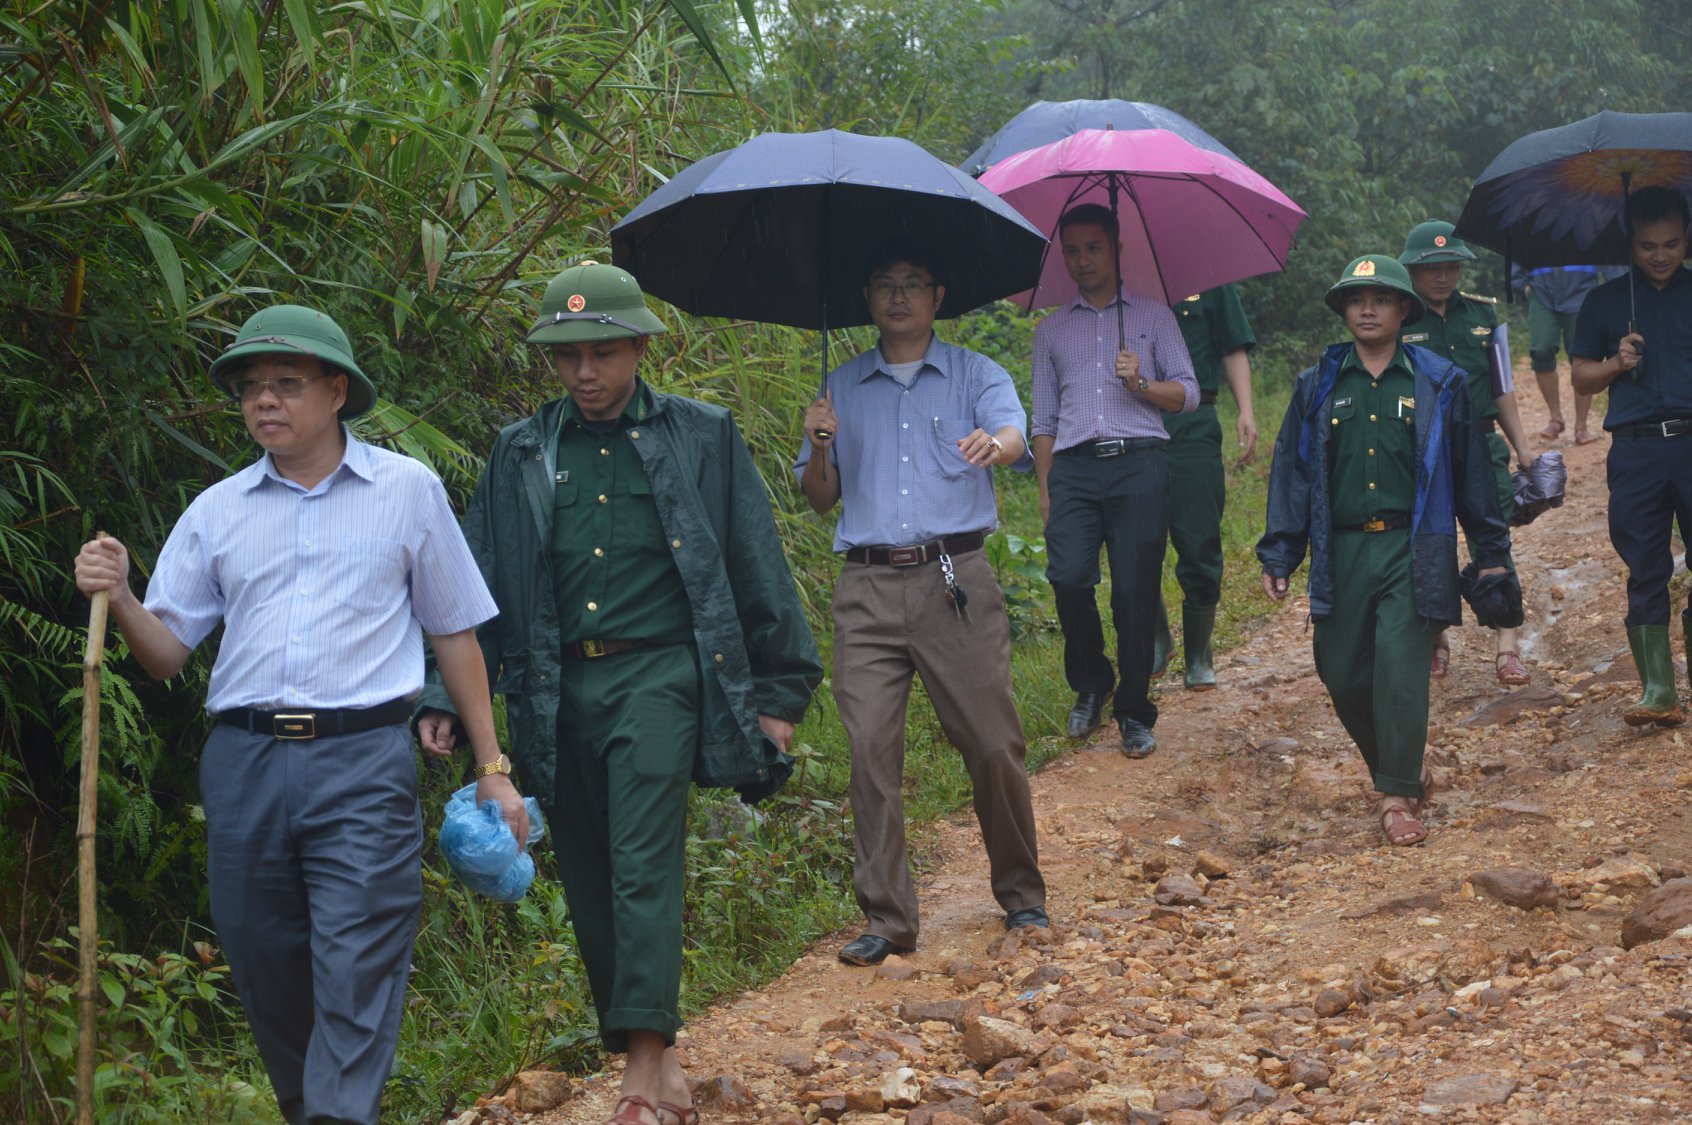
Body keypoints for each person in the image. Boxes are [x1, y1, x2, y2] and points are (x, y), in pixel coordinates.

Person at [73, 306, 521, 1125]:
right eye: (251, 389)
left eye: (286, 383)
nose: (264, 402)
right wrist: (121, 593)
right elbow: (167, 652)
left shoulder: (407, 491)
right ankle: (312, 1112)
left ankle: (336, 1116)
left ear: (336, 390)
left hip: (362, 760)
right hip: (244, 765)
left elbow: (455, 631)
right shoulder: (218, 509)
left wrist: (492, 768)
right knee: (266, 964)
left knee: (357, 960)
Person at [415, 262, 822, 1125]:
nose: (584, 374)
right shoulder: (523, 448)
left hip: (661, 675)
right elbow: (478, 580)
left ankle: (639, 1074)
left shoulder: (701, 435)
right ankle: (659, 1056)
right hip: (558, 684)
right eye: (567, 358)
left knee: (643, 855)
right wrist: (444, 693)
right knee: (591, 869)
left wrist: (780, 693)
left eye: (602, 353)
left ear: (640, 345)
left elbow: (755, 563)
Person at [797, 238, 1048, 967]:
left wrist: (994, 446)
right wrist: (818, 446)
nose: (898, 295)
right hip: (867, 586)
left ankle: (1022, 893)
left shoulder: (975, 372)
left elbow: (1012, 431)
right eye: (884, 283)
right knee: (870, 750)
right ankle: (888, 917)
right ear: (867, 298)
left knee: (992, 743)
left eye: (913, 283)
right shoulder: (839, 388)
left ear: (938, 296)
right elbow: (819, 499)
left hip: (954, 576)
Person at [1258, 255, 1512, 847]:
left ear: (1403, 310)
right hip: (1341, 550)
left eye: (1380, 299)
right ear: (1344, 310)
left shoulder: (1438, 380)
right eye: (1355, 299)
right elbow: (1293, 474)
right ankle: (1397, 764)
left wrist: (1490, 550)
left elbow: (1472, 475)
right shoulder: (1317, 384)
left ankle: (1396, 799)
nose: (1366, 308)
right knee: (1341, 671)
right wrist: (1281, 552)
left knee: (1400, 670)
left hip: (1412, 546)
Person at [1031, 203, 1198, 753]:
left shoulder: (1153, 318)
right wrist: (1046, 489)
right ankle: (1091, 682)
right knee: (1069, 577)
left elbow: (1187, 393)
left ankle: (1133, 709)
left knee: (1134, 590)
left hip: (1140, 462)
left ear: (1116, 249)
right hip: (1075, 468)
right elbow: (1044, 420)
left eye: (1093, 248)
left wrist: (1142, 384)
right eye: (1073, 250)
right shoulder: (1051, 329)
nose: (1083, 260)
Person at [1570, 185, 1692, 728]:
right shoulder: (1604, 301)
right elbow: (1580, 376)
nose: (1661, 255)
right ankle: (1658, 690)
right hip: (1637, 451)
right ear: (1630, 246)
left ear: (1686, 238)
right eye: (1648, 246)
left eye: (1671, 243)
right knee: (1645, 566)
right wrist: (1616, 363)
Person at [1398, 219, 1535, 686]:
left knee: (1493, 540)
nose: (1442, 276)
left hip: (1481, 441)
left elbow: (1502, 388)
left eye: (1451, 266)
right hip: (1422, 448)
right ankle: (1436, 640)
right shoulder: (1399, 320)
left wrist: (1523, 448)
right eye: (1432, 267)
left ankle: (1508, 647)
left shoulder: (1484, 316)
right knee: (1429, 545)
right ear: (1412, 271)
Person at [1150, 283, 1258, 690]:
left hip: (1193, 421)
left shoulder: (1211, 280)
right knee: (1136, 540)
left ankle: (1199, 652)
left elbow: (1233, 348)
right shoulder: (1120, 275)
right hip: (1131, 419)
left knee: (1198, 540)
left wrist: (1246, 410)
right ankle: (1156, 637)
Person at [1514, 264, 1622, 444]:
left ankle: (1581, 426)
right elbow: (1517, 253)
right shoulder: (1532, 233)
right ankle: (1555, 418)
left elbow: (1613, 266)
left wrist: (1618, 288)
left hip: (1582, 291)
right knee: (1541, 349)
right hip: (1541, 291)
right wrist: (1523, 286)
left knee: (1584, 355)